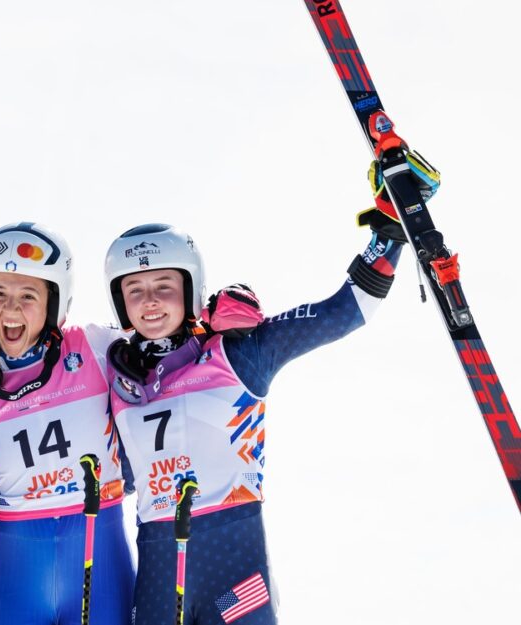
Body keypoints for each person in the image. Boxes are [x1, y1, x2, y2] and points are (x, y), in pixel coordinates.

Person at [101, 161, 438, 625]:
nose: (150, 301)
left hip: (234, 567)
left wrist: (392, 227)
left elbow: (346, 310)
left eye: (164, 285)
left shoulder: (239, 353)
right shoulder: (119, 377)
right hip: (157, 567)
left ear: (192, 288)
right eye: (134, 289)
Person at [0, 223, 135, 625]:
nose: (10, 309)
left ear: (54, 303)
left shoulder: (95, 348)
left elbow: (166, 343)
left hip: (100, 554)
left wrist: (218, 328)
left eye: (28, 296)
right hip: (14, 573)